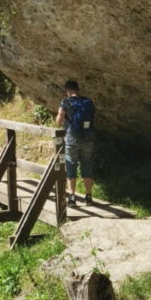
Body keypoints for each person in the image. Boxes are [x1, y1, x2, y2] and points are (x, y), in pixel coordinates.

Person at [56, 79, 95, 207]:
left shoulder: (66, 102)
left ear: (67, 91)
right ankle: (88, 196)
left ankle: (72, 197)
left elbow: (59, 121)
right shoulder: (87, 102)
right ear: (78, 89)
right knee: (87, 165)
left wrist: (62, 116)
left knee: (71, 166)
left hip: (72, 140)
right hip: (88, 139)